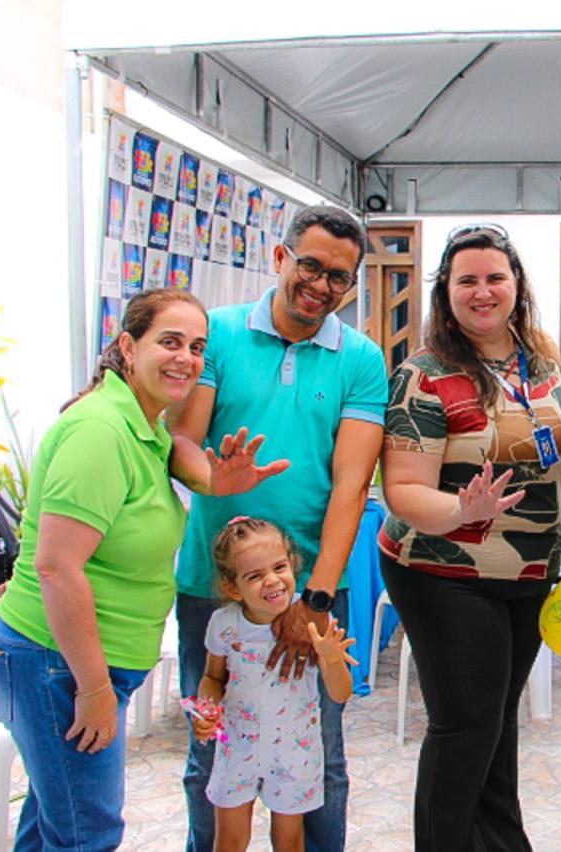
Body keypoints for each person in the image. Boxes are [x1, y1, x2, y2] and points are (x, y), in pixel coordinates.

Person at [0, 289, 270, 850]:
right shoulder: (102, 430)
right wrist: (92, 689)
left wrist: (215, 480)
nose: (185, 357)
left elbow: (176, 453)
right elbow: (57, 568)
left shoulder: (142, 423)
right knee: (88, 834)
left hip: (77, 664)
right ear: (127, 345)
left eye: (196, 347)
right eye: (169, 342)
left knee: (54, 825)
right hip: (57, 665)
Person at [169, 204, 388, 852]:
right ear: (279, 258)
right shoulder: (221, 334)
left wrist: (313, 599)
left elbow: (353, 484)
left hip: (315, 587)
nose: (321, 286)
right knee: (212, 749)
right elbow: (183, 437)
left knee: (317, 758)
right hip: (216, 587)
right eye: (311, 265)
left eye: (339, 278)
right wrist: (214, 479)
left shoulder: (362, 358)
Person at [378, 223, 561, 850]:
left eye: (495, 276)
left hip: (527, 572)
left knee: (498, 724)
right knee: (465, 728)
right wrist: (459, 510)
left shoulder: (542, 362)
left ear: (517, 285)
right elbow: (404, 490)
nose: (482, 291)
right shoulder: (424, 375)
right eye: (466, 279)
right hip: (443, 571)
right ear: (446, 292)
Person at [193, 517, 356, 852]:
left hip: (295, 753)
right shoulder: (224, 625)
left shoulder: (314, 622)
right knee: (229, 841)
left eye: (279, 567)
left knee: (289, 841)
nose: (272, 581)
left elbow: (340, 693)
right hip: (237, 748)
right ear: (233, 588)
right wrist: (205, 708)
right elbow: (213, 677)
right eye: (254, 576)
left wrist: (331, 658)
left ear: (293, 564)